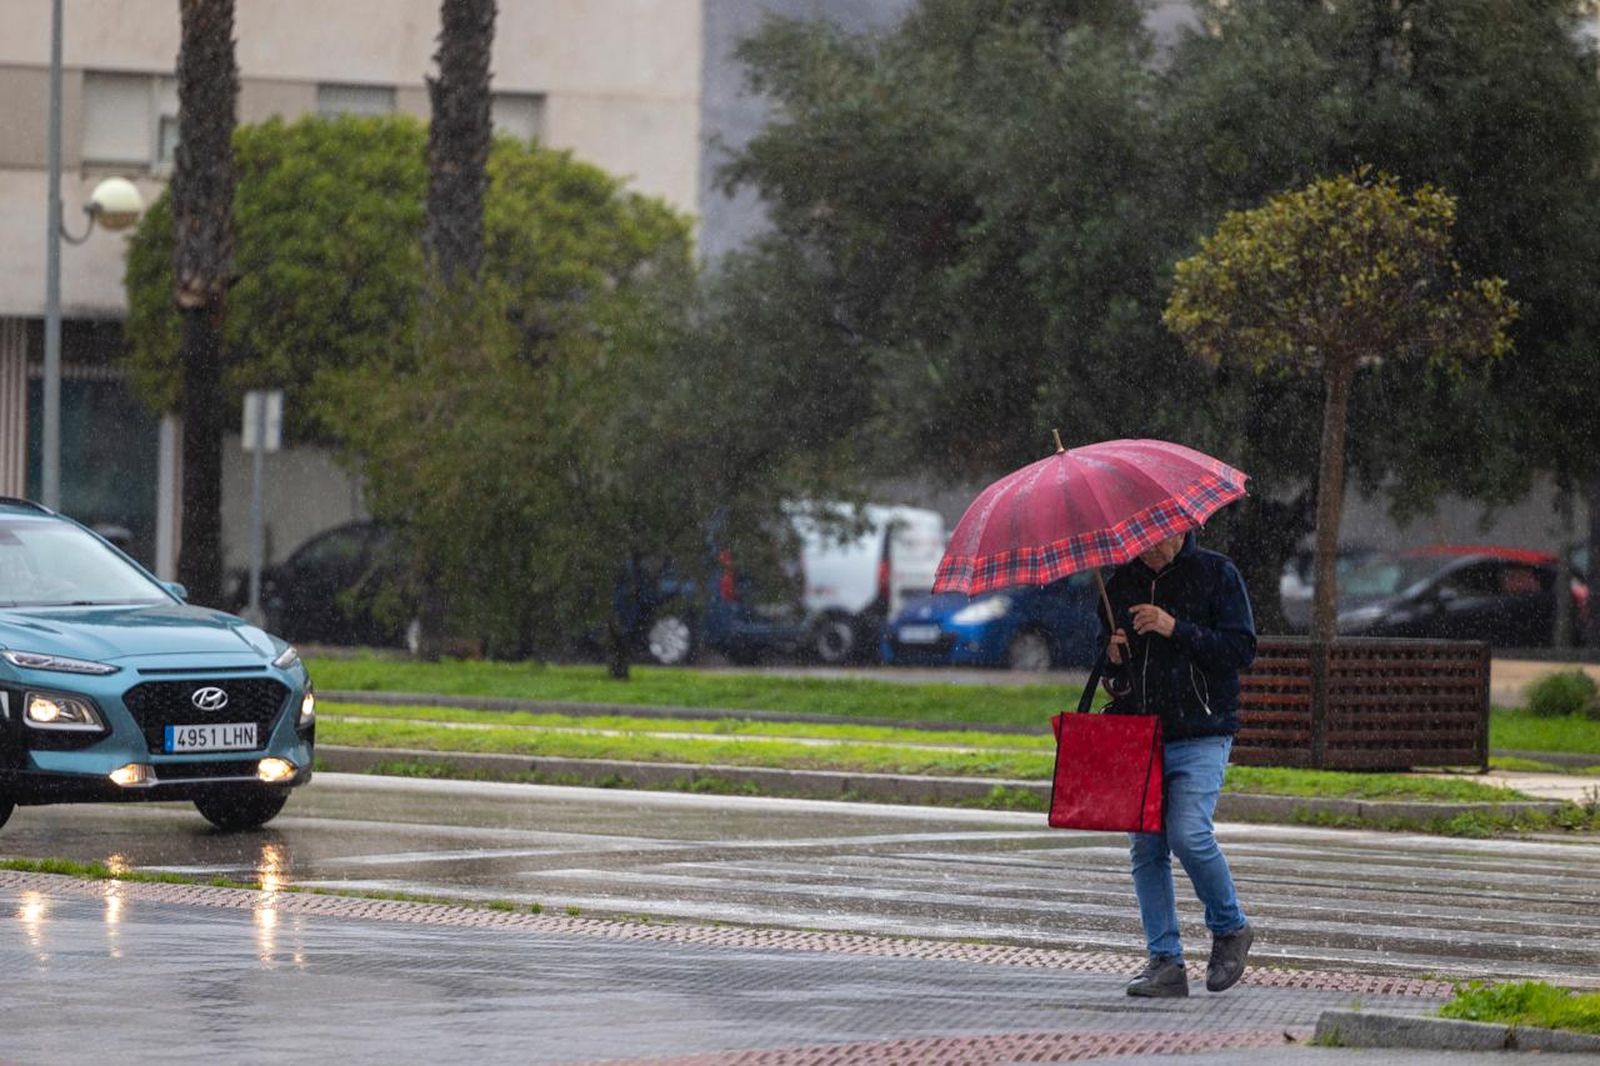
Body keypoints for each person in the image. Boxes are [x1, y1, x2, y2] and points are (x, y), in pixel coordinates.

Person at [1101, 528, 1256, 998]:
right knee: (1146, 850)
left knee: (1189, 833)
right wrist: (1109, 658)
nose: (1150, 545)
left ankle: (1230, 927)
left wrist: (1175, 628)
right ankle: (1165, 961)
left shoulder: (1216, 573)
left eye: (1159, 536)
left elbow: (1240, 650)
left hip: (1201, 731)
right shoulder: (1119, 584)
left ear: (1182, 528)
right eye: (1141, 536)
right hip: (1140, 735)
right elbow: (1112, 673)